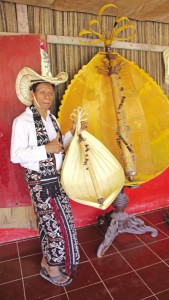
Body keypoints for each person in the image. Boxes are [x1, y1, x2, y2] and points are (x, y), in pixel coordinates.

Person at [10, 65, 80, 287]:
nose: (48, 96)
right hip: (40, 182)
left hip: (58, 180)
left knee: (62, 222)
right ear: (32, 95)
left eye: (50, 92)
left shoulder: (52, 120)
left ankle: (46, 260)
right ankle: (52, 268)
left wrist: (74, 132)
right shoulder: (22, 122)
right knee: (52, 226)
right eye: (42, 92)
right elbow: (16, 155)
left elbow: (58, 147)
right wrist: (44, 149)